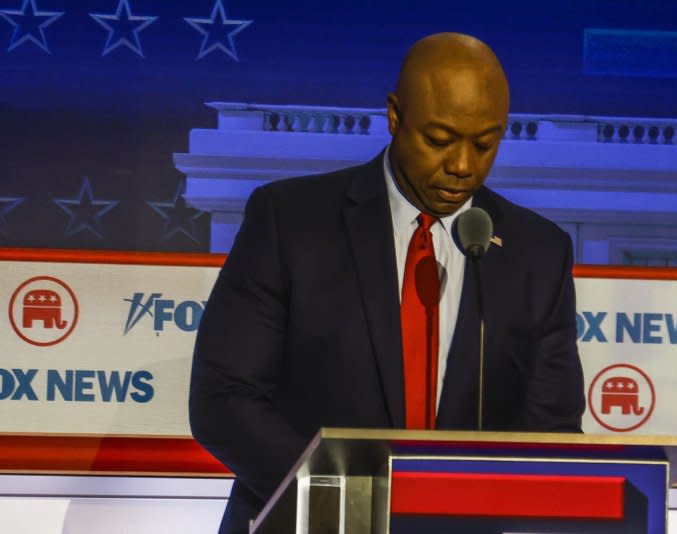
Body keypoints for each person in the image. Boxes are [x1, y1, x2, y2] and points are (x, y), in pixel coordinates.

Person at [189, 32, 585, 534]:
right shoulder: (290, 221)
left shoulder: (538, 253)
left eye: (485, 143)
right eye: (439, 140)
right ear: (395, 116)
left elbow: (549, 429)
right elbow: (224, 399)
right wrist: (353, 505)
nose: (463, 166)